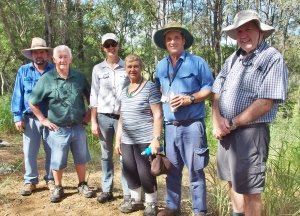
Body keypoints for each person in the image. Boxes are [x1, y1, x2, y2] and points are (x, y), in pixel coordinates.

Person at [211, 10, 288, 216]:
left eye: (249, 29)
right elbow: (216, 91)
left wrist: (232, 123)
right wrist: (216, 120)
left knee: (251, 190)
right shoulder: (232, 59)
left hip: (251, 133)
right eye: (240, 30)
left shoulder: (272, 58)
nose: (244, 34)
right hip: (226, 131)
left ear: (260, 31)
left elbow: (265, 103)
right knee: (233, 182)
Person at [154, 22, 214, 216]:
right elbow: (158, 90)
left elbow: (209, 89)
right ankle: (172, 208)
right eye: (169, 38)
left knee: (196, 171)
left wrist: (190, 99)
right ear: (165, 42)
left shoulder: (197, 62)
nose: (172, 41)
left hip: (192, 126)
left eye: (176, 38)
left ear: (183, 41)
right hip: (170, 126)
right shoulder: (160, 66)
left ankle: (199, 212)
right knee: (172, 170)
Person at [29, 45, 93, 203]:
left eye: (66, 56)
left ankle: (82, 184)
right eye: (60, 57)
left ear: (70, 59)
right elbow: (32, 102)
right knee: (57, 160)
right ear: (54, 59)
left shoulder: (79, 77)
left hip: (78, 127)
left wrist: (89, 115)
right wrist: (43, 120)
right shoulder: (47, 78)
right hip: (58, 129)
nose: (63, 59)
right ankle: (58, 187)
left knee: (81, 158)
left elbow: (92, 97)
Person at [115, 54, 163, 216]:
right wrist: (117, 139)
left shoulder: (149, 87)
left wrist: (155, 139)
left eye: (135, 66)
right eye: (129, 67)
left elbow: (157, 115)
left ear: (140, 68)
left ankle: (151, 203)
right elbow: (122, 117)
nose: (132, 69)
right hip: (127, 140)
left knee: (145, 172)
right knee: (130, 171)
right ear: (125, 69)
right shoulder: (124, 91)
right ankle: (135, 201)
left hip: (145, 139)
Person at [11, 37, 54, 196]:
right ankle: (30, 180)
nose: (39, 55)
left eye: (41, 51)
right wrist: (17, 116)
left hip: (50, 119)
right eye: (35, 52)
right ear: (32, 54)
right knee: (29, 151)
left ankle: (51, 179)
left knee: (52, 150)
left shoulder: (54, 70)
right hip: (29, 119)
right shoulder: (23, 71)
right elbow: (18, 94)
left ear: (46, 54)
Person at [90, 33, 130, 204]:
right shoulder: (98, 69)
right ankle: (107, 190)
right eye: (107, 45)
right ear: (103, 48)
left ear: (118, 45)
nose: (111, 48)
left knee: (124, 155)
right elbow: (94, 95)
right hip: (103, 117)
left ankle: (128, 192)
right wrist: (93, 121)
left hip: (123, 117)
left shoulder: (126, 66)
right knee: (106, 155)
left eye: (113, 44)